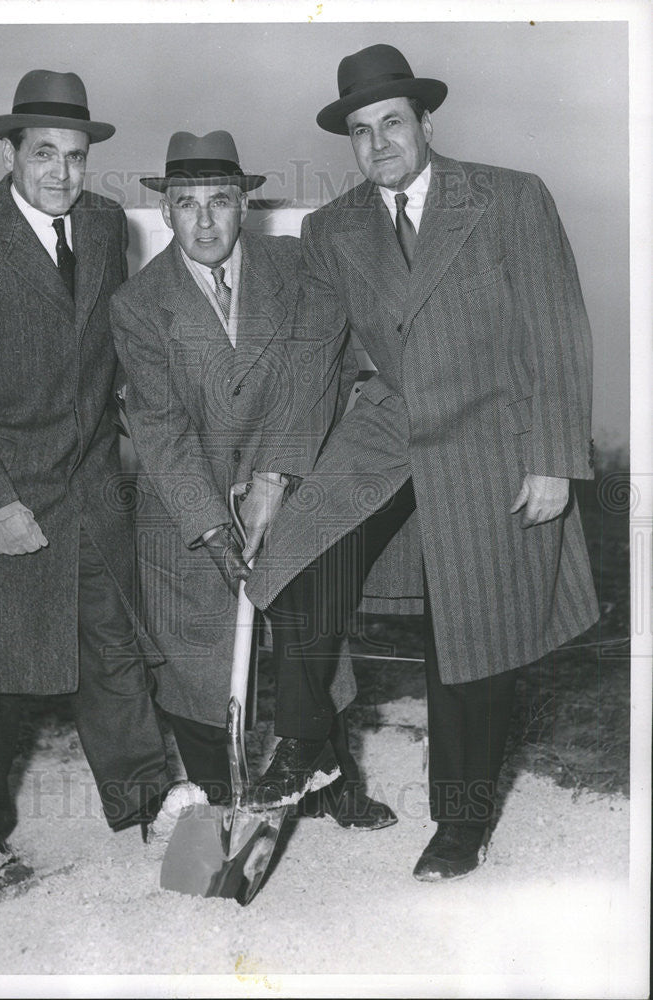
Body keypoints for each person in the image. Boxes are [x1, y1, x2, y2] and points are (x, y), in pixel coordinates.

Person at [244, 44, 599, 880]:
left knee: (471, 640)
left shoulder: (509, 198)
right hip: (389, 431)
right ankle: (308, 744)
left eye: (392, 123)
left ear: (426, 122)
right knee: (297, 564)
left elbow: (558, 332)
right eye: (360, 132)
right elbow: (316, 361)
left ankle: (461, 827)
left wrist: (552, 458)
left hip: (493, 438)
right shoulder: (332, 230)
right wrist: (273, 476)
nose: (377, 144)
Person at [0, 69, 172, 867]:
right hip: (0, 489)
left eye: (77, 156)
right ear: (11, 152)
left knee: (115, 652)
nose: (62, 172)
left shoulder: (102, 226)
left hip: (90, 488)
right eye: (45, 153)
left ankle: (147, 810)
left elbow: (113, 348)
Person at [111, 130, 394, 828]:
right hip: (187, 502)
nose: (203, 221)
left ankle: (329, 782)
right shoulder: (139, 305)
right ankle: (221, 809)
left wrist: (276, 473)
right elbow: (161, 427)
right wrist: (210, 524)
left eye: (219, 202)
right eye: (186, 204)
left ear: (245, 206)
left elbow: (318, 365)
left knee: (309, 640)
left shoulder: (297, 267)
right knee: (198, 659)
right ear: (167, 212)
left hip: (288, 477)